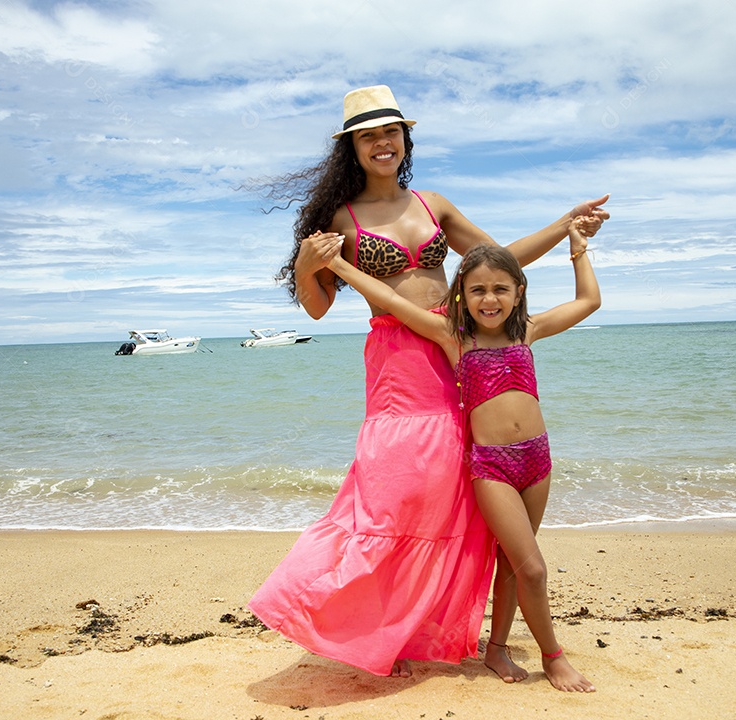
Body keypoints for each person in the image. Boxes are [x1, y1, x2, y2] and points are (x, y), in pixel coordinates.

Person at [247, 84, 609, 678]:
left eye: (390, 132)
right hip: (399, 362)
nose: (381, 143)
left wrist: (565, 224)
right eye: (368, 136)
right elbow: (316, 307)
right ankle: (373, 626)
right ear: (351, 148)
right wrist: (311, 266)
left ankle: (440, 630)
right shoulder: (340, 218)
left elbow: (499, 258)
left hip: (458, 348)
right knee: (399, 493)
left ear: (405, 138)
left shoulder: (432, 203)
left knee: (456, 493)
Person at [325, 228, 600, 692]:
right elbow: (390, 301)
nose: (489, 299)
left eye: (500, 289)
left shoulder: (528, 331)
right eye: (478, 290)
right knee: (533, 568)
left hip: (537, 459)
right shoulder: (453, 337)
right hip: (491, 466)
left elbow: (589, 300)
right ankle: (554, 658)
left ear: (519, 292)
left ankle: (497, 648)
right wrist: (336, 265)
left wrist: (578, 248)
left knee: (512, 563)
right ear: (460, 297)